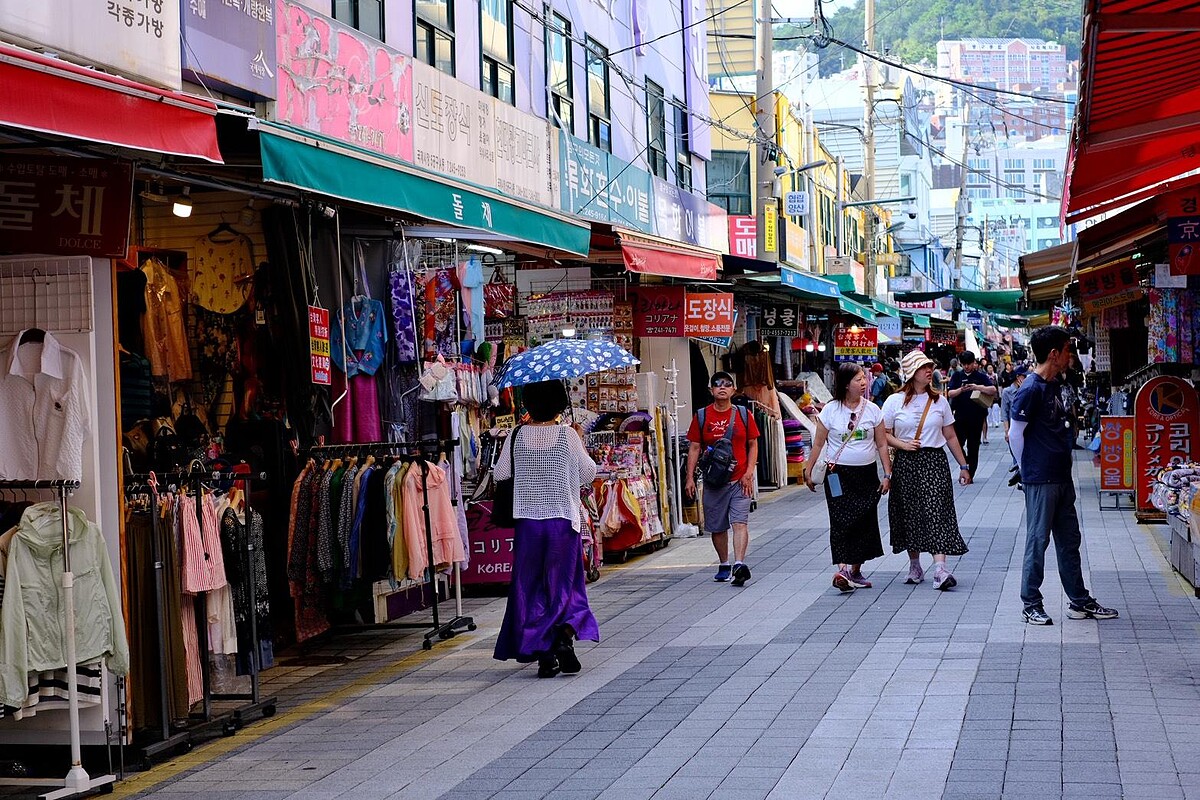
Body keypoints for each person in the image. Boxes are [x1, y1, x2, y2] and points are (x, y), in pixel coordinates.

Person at [1010, 326, 1119, 625]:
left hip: (1061, 477)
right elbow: (1014, 434)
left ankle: (1079, 601)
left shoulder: (1053, 385)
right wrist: (1025, 468)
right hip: (1040, 478)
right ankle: (1030, 603)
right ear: (1054, 354)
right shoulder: (1030, 389)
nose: (1071, 355)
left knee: (1069, 540)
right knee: (1037, 540)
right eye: (1068, 350)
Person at [493, 380, 601, 678]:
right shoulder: (567, 435)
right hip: (562, 522)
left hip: (528, 523)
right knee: (563, 585)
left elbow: (501, 473)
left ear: (527, 403)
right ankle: (563, 640)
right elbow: (588, 473)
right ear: (559, 404)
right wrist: (577, 440)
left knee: (531, 585)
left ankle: (544, 653)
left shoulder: (515, 435)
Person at [882, 350, 973, 590]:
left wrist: (963, 466)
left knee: (937, 511)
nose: (929, 370)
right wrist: (903, 445)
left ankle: (940, 569)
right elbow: (883, 436)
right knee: (909, 512)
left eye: (929, 366)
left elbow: (950, 435)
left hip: (934, 462)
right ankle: (915, 564)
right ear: (912, 374)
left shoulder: (939, 400)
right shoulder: (894, 401)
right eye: (923, 367)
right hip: (906, 463)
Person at [804, 362, 892, 592]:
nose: (863, 383)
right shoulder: (831, 410)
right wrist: (809, 468)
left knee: (864, 521)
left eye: (864, 378)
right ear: (845, 384)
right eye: (858, 379)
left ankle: (855, 570)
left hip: (866, 474)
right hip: (838, 474)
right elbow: (819, 442)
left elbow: (882, 444)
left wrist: (887, 474)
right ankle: (842, 569)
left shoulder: (873, 410)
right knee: (841, 520)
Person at [685, 371, 761, 587]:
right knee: (717, 526)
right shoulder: (701, 416)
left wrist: (749, 472)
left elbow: (753, 444)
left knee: (739, 522)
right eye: (717, 384)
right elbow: (694, 447)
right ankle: (724, 563)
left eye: (727, 384)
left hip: (740, 479)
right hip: (713, 481)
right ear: (711, 390)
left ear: (733, 390)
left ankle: (739, 564)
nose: (722, 387)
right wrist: (690, 478)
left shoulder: (744, 415)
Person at [946, 352, 998, 477]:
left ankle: (971, 473)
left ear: (973, 363)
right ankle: (965, 462)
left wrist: (977, 387)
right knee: (958, 442)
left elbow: (993, 390)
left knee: (973, 446)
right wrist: (961, 389)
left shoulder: (980, 376)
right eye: (964, 364)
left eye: (968, 364)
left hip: (977, 416)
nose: (966, 367)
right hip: (960, 415)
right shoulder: (957, 376)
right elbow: (950, 393)